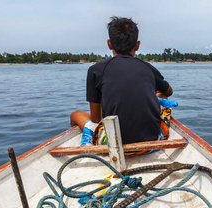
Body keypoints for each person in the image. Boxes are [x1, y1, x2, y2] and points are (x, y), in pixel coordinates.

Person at [70, 16, 173, 147]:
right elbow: (169, 91)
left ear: (109, 44)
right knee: (162, 96)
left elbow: (96, 119)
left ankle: (88, 141)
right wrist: (155, 92)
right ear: (137, 45)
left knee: (75, 115)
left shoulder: (95, 70)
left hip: (113, 143)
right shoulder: (148, 67)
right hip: (153, 139)